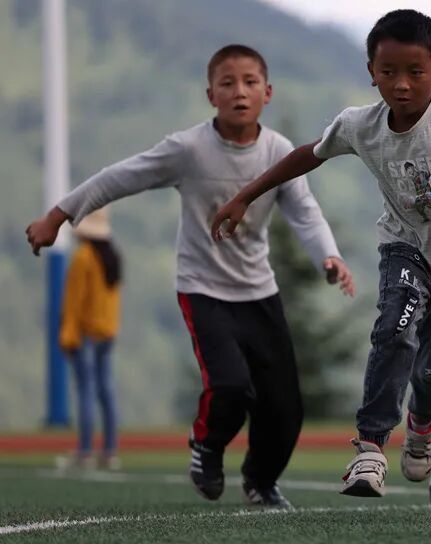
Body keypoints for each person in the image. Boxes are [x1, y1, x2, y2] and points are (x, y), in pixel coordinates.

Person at [211, 10, 431, 498]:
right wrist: (247, 194)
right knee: (394, 328)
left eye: (416, 72)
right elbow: (310, 152)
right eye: (388, 71)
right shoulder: (360, 125)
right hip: (404, 245)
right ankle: (369, 451)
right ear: (371, 72)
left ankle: (424, 422)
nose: (402, 85)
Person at [26, 44, 355, 508]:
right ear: (210, 95)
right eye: (227, 83)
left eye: (249, 82)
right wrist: (58, 216)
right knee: (230, 387)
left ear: (268, 93)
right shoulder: (188, 149)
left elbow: (304, 212)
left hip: (260, 292)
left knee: (284, 407)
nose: (239, 91)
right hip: (203, 290)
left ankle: (261, 482)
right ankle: (207, 447)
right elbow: (118, 177)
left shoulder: (279, 151)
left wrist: (330, 255)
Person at [56, 208, 122, 472]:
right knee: (106, 391)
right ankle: (109, 450)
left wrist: (67, 335)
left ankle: (85, 451)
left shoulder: (83, 257)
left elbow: (73, 303)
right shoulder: (113, 257)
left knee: (85, 391)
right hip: (107, 333)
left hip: (86, 335)